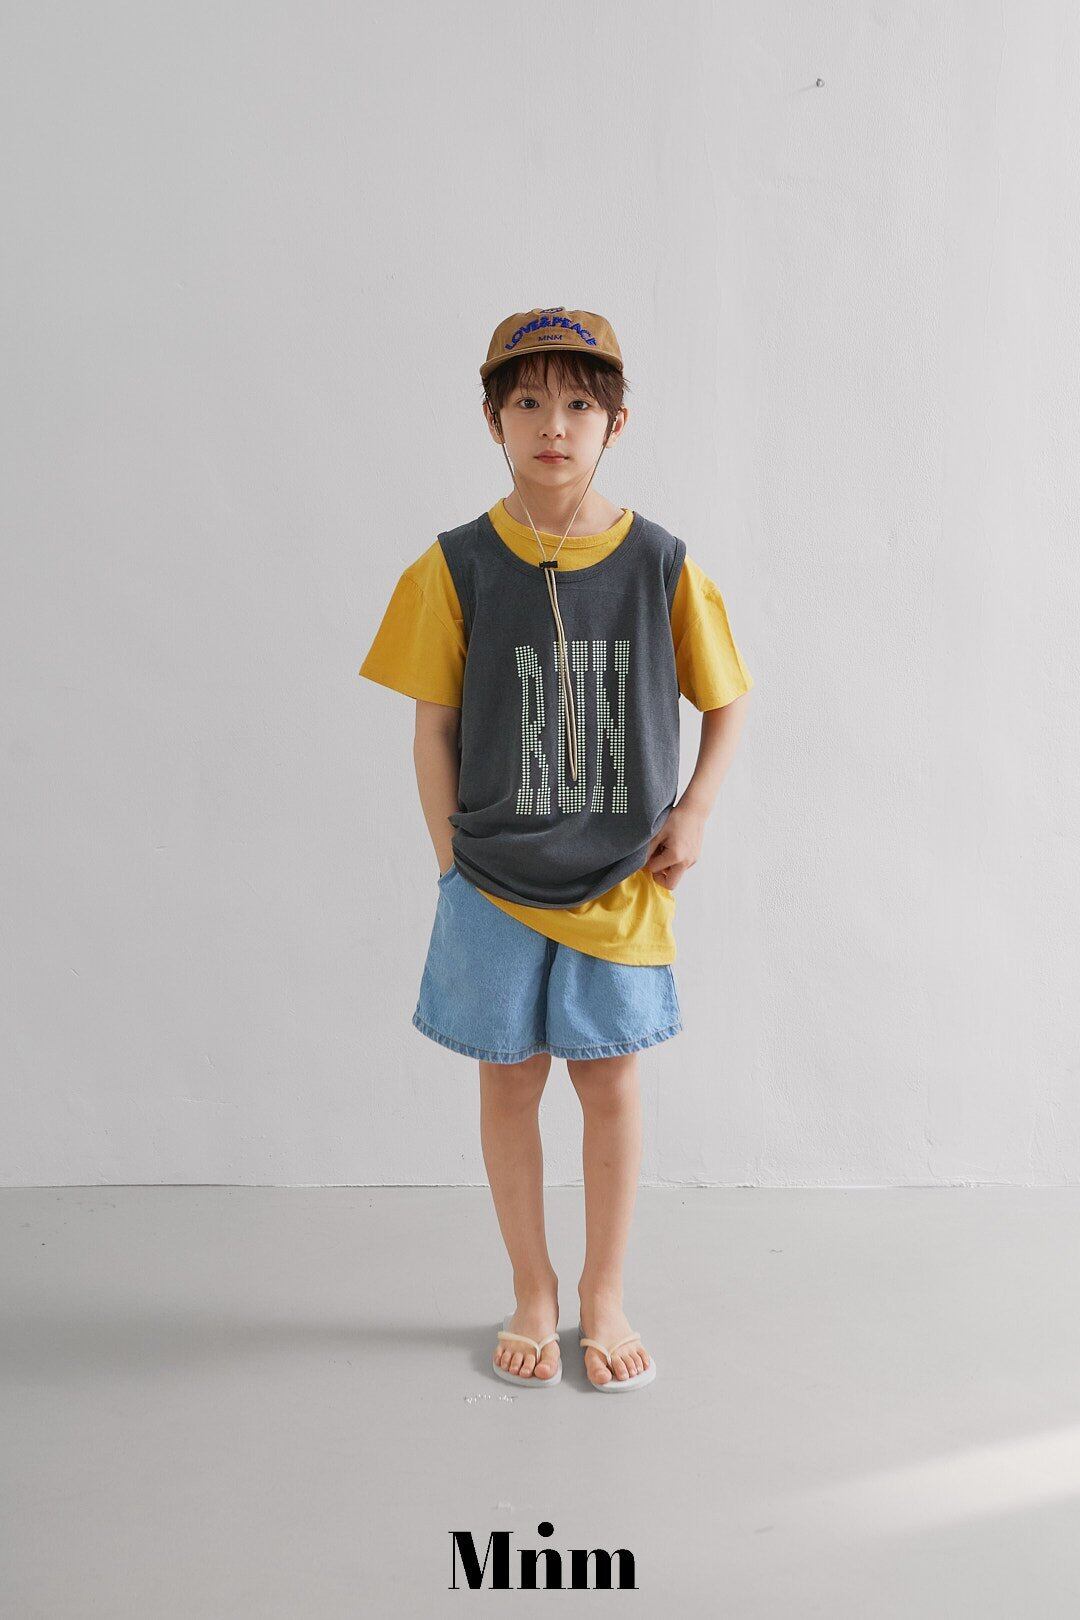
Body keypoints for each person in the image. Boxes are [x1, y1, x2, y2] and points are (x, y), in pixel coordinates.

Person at [359, 307, 753, 1392]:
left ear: (617, 421)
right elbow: (433, 728)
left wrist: (695, 810)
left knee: (611, 1082)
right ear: (492, 418)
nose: (553, 424)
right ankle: (531, 1289)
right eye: (527, 401)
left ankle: (603, 1294)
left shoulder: (660, 563)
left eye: (579, 403)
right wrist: (451, 861)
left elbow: (727, 701)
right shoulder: (458, 565)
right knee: (509, 1083)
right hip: (491, 877)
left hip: (620, 877)